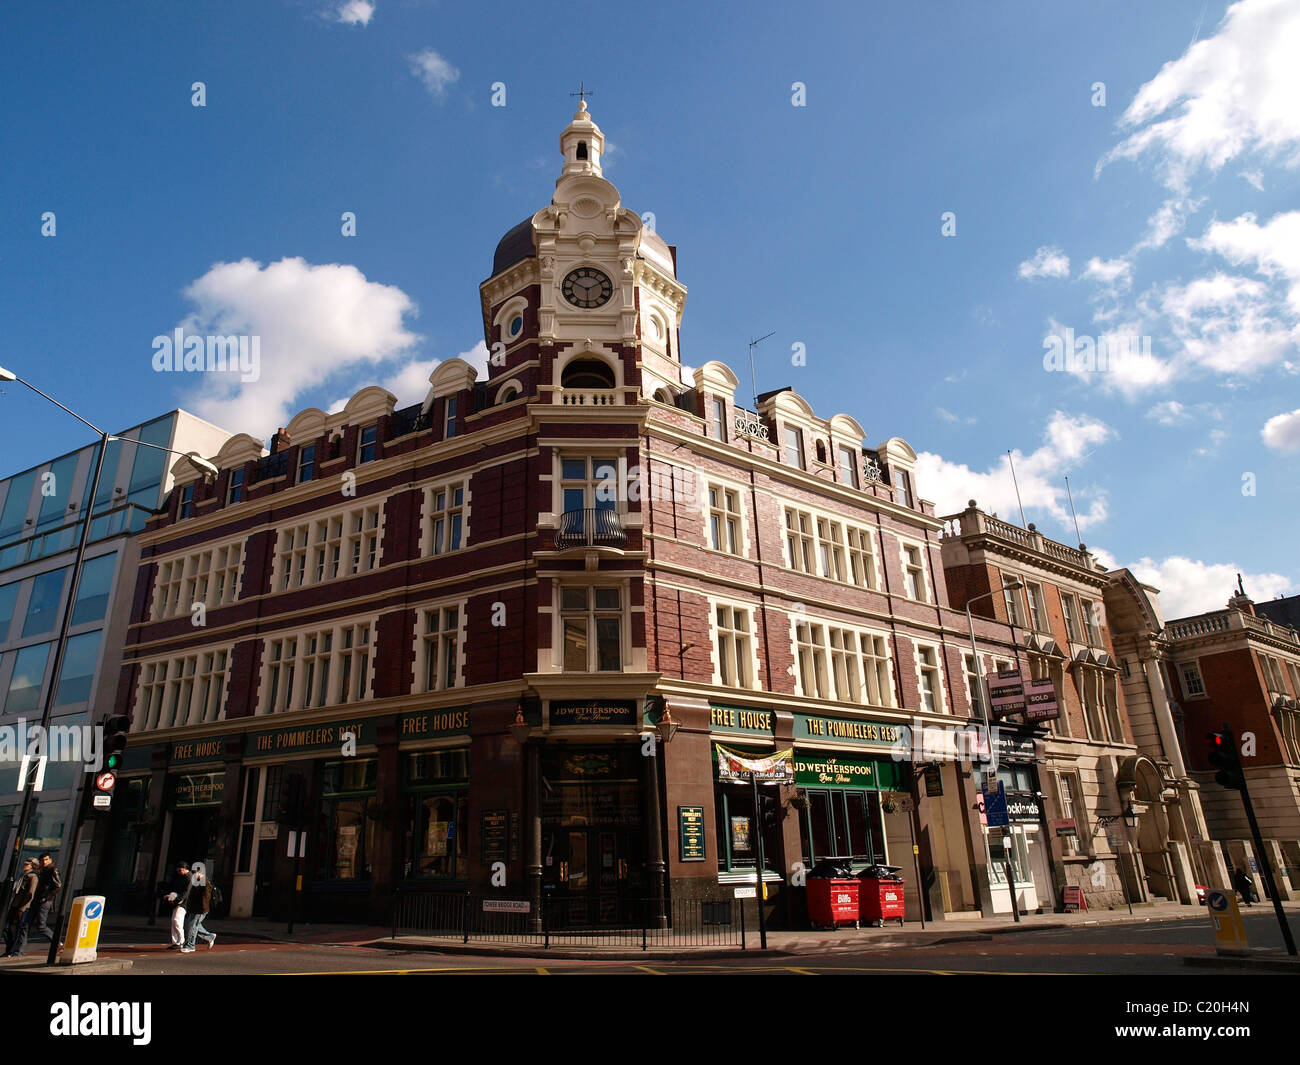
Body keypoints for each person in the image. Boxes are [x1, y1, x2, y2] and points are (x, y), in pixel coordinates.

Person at [3, 859, 41, 957]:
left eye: (27, 864)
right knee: (6, 928)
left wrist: (22, 908)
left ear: (32, 866)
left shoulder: (33, 877)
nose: (24, 866)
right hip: (14, 905)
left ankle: (16, 951)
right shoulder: (22, 875)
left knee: (19, 929)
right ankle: (9, 949)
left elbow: (30, 894)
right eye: (24, 864)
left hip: (23, 907)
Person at [28, 853, 61, 944]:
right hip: (37, 899)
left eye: (46, 860)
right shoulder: (43, 870)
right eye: (42, 860)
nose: (44, 862)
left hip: (44, 901)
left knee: (41, 926)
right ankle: (18, 949)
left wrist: (46, 897)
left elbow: (58, 886)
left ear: (50, 860)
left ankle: (57, 943)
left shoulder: (53, 870)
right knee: (25, 923)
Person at [182, 870, 216, 952]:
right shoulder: (195, 882)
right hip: (193, 908)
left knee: (192, 926)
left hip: (200, 909)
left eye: (196, 873)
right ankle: (209, 936)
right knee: (194, 925)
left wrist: (202, 909)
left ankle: (190, 945)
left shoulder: (205, 883)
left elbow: (206, 897)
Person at [164, 861, 191, 948]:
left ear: (185, 869)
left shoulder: (189, 878)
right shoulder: (181, 877)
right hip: (179, 901)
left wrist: (176, 900)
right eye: (178, 870)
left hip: (184, 903)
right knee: (174, 921)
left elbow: (186, 892)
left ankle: (181, 941)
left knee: (176, 920)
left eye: (180, 870)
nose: (178, 871)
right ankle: (176, 942)